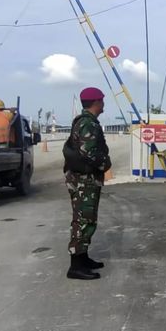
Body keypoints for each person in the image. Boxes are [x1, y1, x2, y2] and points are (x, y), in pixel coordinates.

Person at [62, 87, 111, 280]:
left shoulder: (86, 122)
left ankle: (83, 258)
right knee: (83, 221)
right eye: (102, 100)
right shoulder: (87, 124)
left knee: (87, 219)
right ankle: (75, 266)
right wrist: (105, 164)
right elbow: (88, 152)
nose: (103, 104)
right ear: (96, 102)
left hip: (85, 179)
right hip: (84, 180)